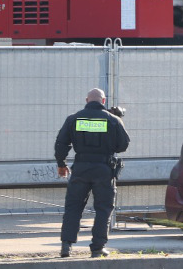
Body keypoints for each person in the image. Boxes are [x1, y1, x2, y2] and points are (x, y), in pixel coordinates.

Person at [55, 88, 131, 258]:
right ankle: (98, 248)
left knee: (73, 207)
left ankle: (66, 246)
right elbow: (123, 145)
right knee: (103, 208)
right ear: (103, 101)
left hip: (80, 168)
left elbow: (61, 144)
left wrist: (61, 164)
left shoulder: (73, 119)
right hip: (103, 169)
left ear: (87, 100)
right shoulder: (113, 120)